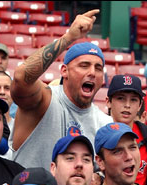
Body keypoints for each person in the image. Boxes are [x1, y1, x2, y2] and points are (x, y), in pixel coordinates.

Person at [10, 10, 112, 169]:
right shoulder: (45, 100)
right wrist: (68, 38)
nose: (92, 72)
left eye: (98, 68)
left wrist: (98, 176)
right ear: (64, 71)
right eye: (84, 66)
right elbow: (21, 77)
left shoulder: (104, 123)